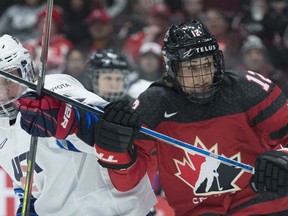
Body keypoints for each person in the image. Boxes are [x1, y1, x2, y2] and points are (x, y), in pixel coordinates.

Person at [16, 20, 288, 215]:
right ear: (171, 69)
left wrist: (283, 159)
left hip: (262, 204)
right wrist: (116, 150)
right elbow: (128, 181)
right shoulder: (152, 105)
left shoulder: (250, 88)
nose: (203, 76)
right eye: (191, 68)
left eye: (207, 65)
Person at [0, 34, 156, 215]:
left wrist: (68, 117)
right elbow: (29, 188)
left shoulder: (53, 87)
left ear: (25, 70)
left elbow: (109, 128)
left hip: (114, 210)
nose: (3, 91)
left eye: (9, 79)